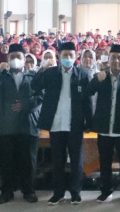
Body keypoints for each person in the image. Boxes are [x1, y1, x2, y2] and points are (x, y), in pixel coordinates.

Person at [32, 42, 92, 205]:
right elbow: (34, 86)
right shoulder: (50, 73)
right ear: (59, 56)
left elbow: (87, 101)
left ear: (76, 56)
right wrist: (42, 69)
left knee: (76, 160)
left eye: (71, 55)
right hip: (56, 123)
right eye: (65, 55)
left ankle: (75, 192)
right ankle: (58, 193)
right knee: (57, 160)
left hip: (75, 123)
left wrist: (89, 122)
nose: (68, 58)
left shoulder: (83, 74)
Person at [87, 44, 120, 203]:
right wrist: (96, 80)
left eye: (119, 58)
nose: (116, 61)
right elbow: (88, 91)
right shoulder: (101, 76)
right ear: (108, 60)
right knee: (105, 162)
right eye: (113, 57)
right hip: (104, 128)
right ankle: (106, 191)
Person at [0, 44, 42, 204]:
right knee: (6, 161)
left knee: (28, 161)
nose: (15, 59)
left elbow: (41, 96)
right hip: (6, 126)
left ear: (24, 59)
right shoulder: (2, 77)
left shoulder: (33, 76)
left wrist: (25, 104)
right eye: (12, 57)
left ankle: (29, 191)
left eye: (19, 57)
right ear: (7, 59)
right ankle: (6, 191)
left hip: (28, 125)